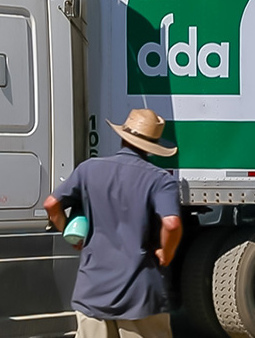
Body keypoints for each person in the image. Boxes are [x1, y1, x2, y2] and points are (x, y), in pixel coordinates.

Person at [44, 108, 184, 338]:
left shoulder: (88, 169)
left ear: (122, 137)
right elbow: (171, 224)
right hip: (140, 296)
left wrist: (69, 232)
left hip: (93, 290)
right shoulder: (160, 180)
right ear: (153, 146)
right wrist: (165, 253)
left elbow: (51, 204)